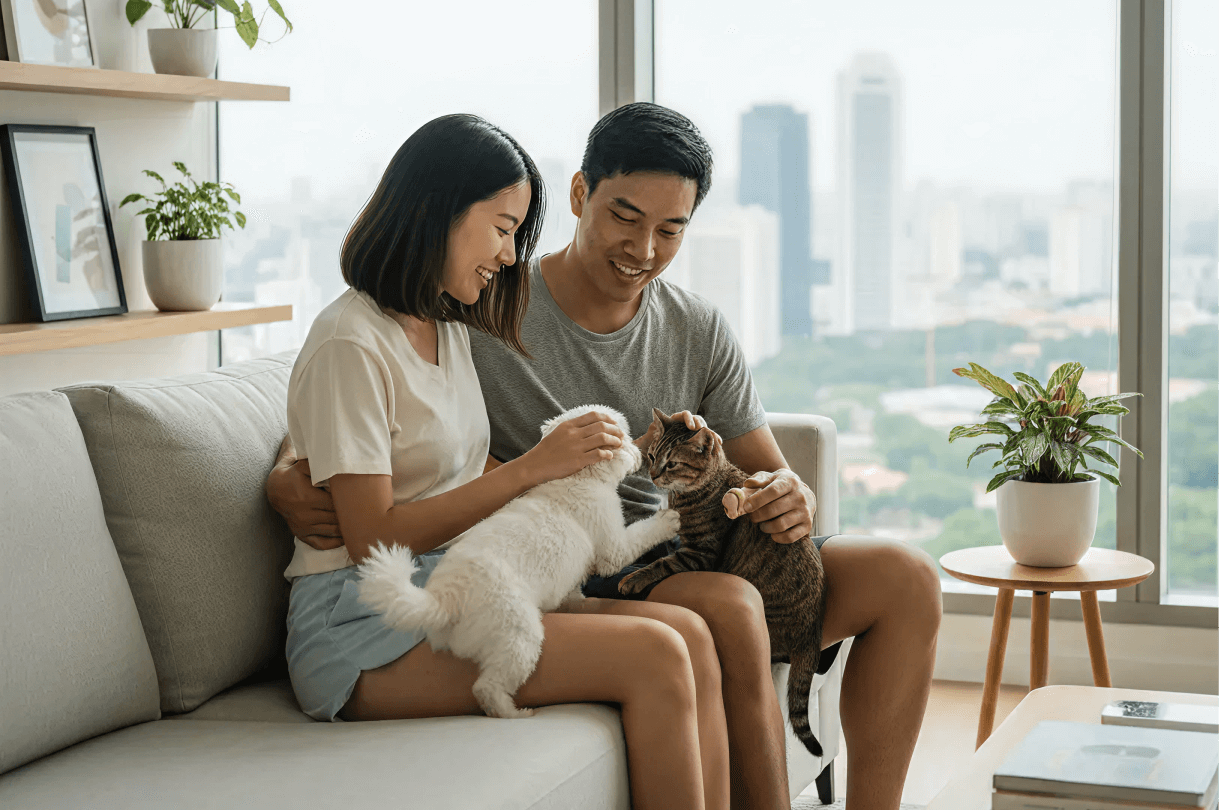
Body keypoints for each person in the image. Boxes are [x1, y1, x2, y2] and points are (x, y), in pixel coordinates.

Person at [268, 103, 943, 810]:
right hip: (596, 559)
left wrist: (789, 493)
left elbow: (764, 465)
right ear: (580, 195)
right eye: (625, 217)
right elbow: (350, 378)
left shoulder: (689, 324)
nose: (645, 248)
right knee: (726, 606)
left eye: (670, 229)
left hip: (688, 538)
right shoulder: (489, 302)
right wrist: (286, 472)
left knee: (905, 576)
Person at [277, 113, 727, 810]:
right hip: (363, 623)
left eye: (518, 233)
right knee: (658, 655)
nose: (512, 255)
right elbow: (373, 540)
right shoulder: (350, 342)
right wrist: (532, 469)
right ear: (436, 213)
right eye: (501, 227)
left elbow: (461, 469)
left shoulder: (446, 324)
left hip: (462, 583)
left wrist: (581, 475)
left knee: (691, 633)